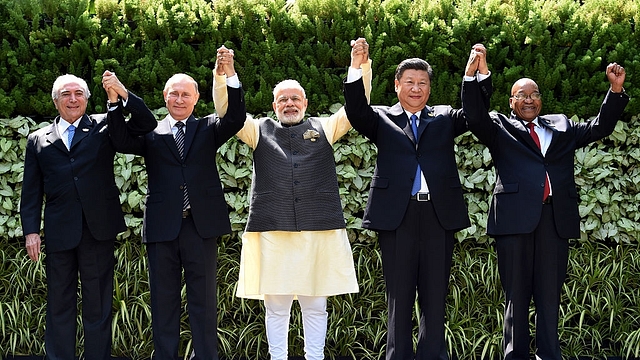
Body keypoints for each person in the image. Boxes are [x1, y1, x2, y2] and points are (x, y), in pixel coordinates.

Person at [462, 45, 629, 359]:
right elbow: (473, 114)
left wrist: (615, 90)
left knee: (549, 295)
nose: (528, 99)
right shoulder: (498, 127)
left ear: (540, 100)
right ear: (511, 102)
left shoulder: (562, 126)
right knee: (517, 295)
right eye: (521, 95)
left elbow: (599, 127)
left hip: (554, 220)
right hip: (514, 222)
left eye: (534, 94)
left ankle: (549, 355)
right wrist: (472, 75)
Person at [212, 41, 371, 360]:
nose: (289, 103)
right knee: (277, 308)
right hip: (273, 231)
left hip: (317, 231)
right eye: (282, 99)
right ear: (273, 105)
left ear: (306, 102)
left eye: (295, 98)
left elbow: (356, 110)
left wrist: (358, 67)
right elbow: (228, 114)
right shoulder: (256, 130)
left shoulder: (325, 127)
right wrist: (226, 75)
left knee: (315, 306)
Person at [342, 39, 493, 360]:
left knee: (435, 294)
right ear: (397, 85)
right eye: (409, 82)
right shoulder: (381, 118)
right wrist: (357, 66)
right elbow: (355, 111)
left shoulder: (444, 117)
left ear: (429, 88)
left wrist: (474, 76)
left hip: (438, 215)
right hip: (397, 217)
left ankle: (433, 355)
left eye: (422, 83)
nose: (415, 88)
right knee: (398, 294)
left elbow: (477, 116)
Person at [106, 47, 247, 360]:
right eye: (174, 94)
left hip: (200, 226)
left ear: (196, 98)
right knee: (163, 301)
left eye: (186, 94)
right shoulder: (150, 132)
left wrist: (230, 73)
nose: (180, 99)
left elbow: (236, 117)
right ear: (165, 97)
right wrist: (115, 101)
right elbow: (120, 141)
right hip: (162, 227)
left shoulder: (209, 127)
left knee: (204, 301)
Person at [20, 72, 156, 360]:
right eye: (66, 94)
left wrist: (121, 93)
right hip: (59, 233)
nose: (73, 99)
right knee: (59, 303)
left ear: (86, 99)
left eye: (78, 93)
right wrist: (31, 230)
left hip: (97, 230)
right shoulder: (37, 140)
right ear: (56, 101)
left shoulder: (105, 124)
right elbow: (31, 191)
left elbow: (146, 124)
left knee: (98, 303)